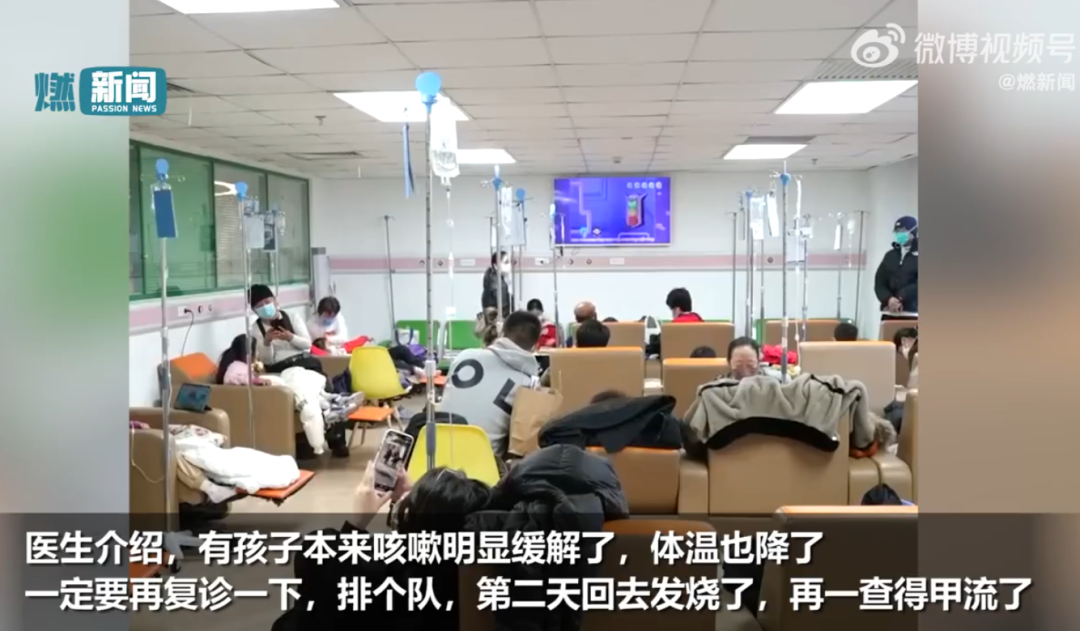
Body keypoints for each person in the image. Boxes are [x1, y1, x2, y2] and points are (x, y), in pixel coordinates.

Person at [273, 464, 489, 631]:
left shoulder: (371, 574)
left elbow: (321, 571)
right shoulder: (469, 584)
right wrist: (418, 503)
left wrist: (356, 523)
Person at [439, 310, 542, 458]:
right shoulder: (528, 385)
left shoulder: (464, 357)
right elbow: (523, 443)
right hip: (483, 464)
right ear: (535, 346)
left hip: (433, 453)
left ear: (502, 333)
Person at [248, 284, 323, 375]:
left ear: (275, 301)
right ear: (254, 310)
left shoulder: (292, 317)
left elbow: (307, 344)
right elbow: (267, 361)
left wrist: (290, 337)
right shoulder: (255, 329)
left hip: (304, 361)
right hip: (281, 368)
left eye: (267, 302)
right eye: (259, 306)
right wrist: (267, 342)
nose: (265, 307)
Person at [875, 216, 919, 319]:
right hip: (889, 312)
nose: (899, 234)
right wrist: (889, 299)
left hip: (912, 314)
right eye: (897, 231)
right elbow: (879, 283)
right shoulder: (890, 255)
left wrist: (900, 297)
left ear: (912, 231)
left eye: (902, 231)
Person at [481, 251, 512, 318]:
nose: (510, 265)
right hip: (497, 320)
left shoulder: (490, 277)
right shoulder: (499, 284)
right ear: (495, 266)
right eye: (506, 262)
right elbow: (503, 309)